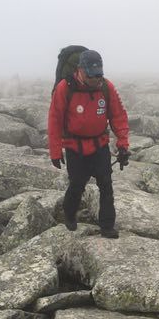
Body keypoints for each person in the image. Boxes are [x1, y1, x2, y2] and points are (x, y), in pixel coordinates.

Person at [47, 49, 130, 238]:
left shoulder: (106, 87)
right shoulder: (65, 88)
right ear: (80, 71)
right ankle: (69, 214)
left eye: (98, 75)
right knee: (77, 184)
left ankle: (107, 226)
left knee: (106, 184)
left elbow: (118, 117)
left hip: (99, 144)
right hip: (74, 146)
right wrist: (55, 151)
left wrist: (123, 144)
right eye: (92, 76)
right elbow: (55, 120)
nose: (96, 80)